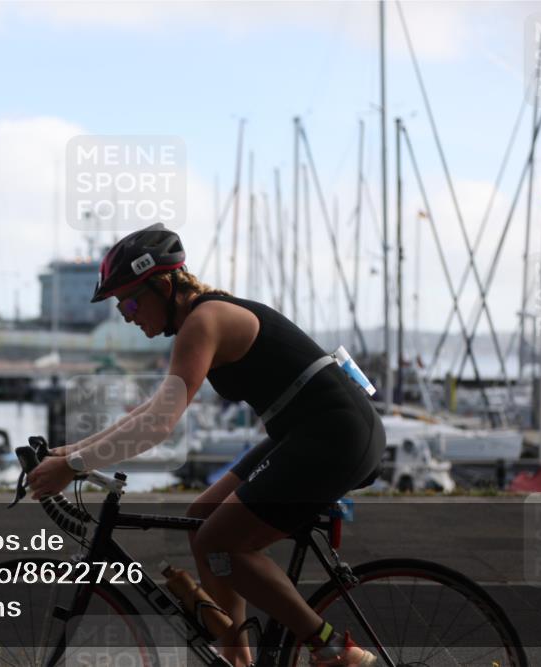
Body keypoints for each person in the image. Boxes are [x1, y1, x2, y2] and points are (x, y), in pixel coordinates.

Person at [27, 223, 385, 667]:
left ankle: (332, 649)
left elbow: (159, 424)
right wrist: (69, 453)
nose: (127, 314)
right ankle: (237, 656)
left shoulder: (204, 321)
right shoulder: (197, 321)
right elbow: (150, 410)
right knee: (201, 521)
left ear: (163, 285)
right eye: (120, 307)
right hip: (309, 431)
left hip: (335, 435)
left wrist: (76, 465)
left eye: (131, 301)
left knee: (221, 542)